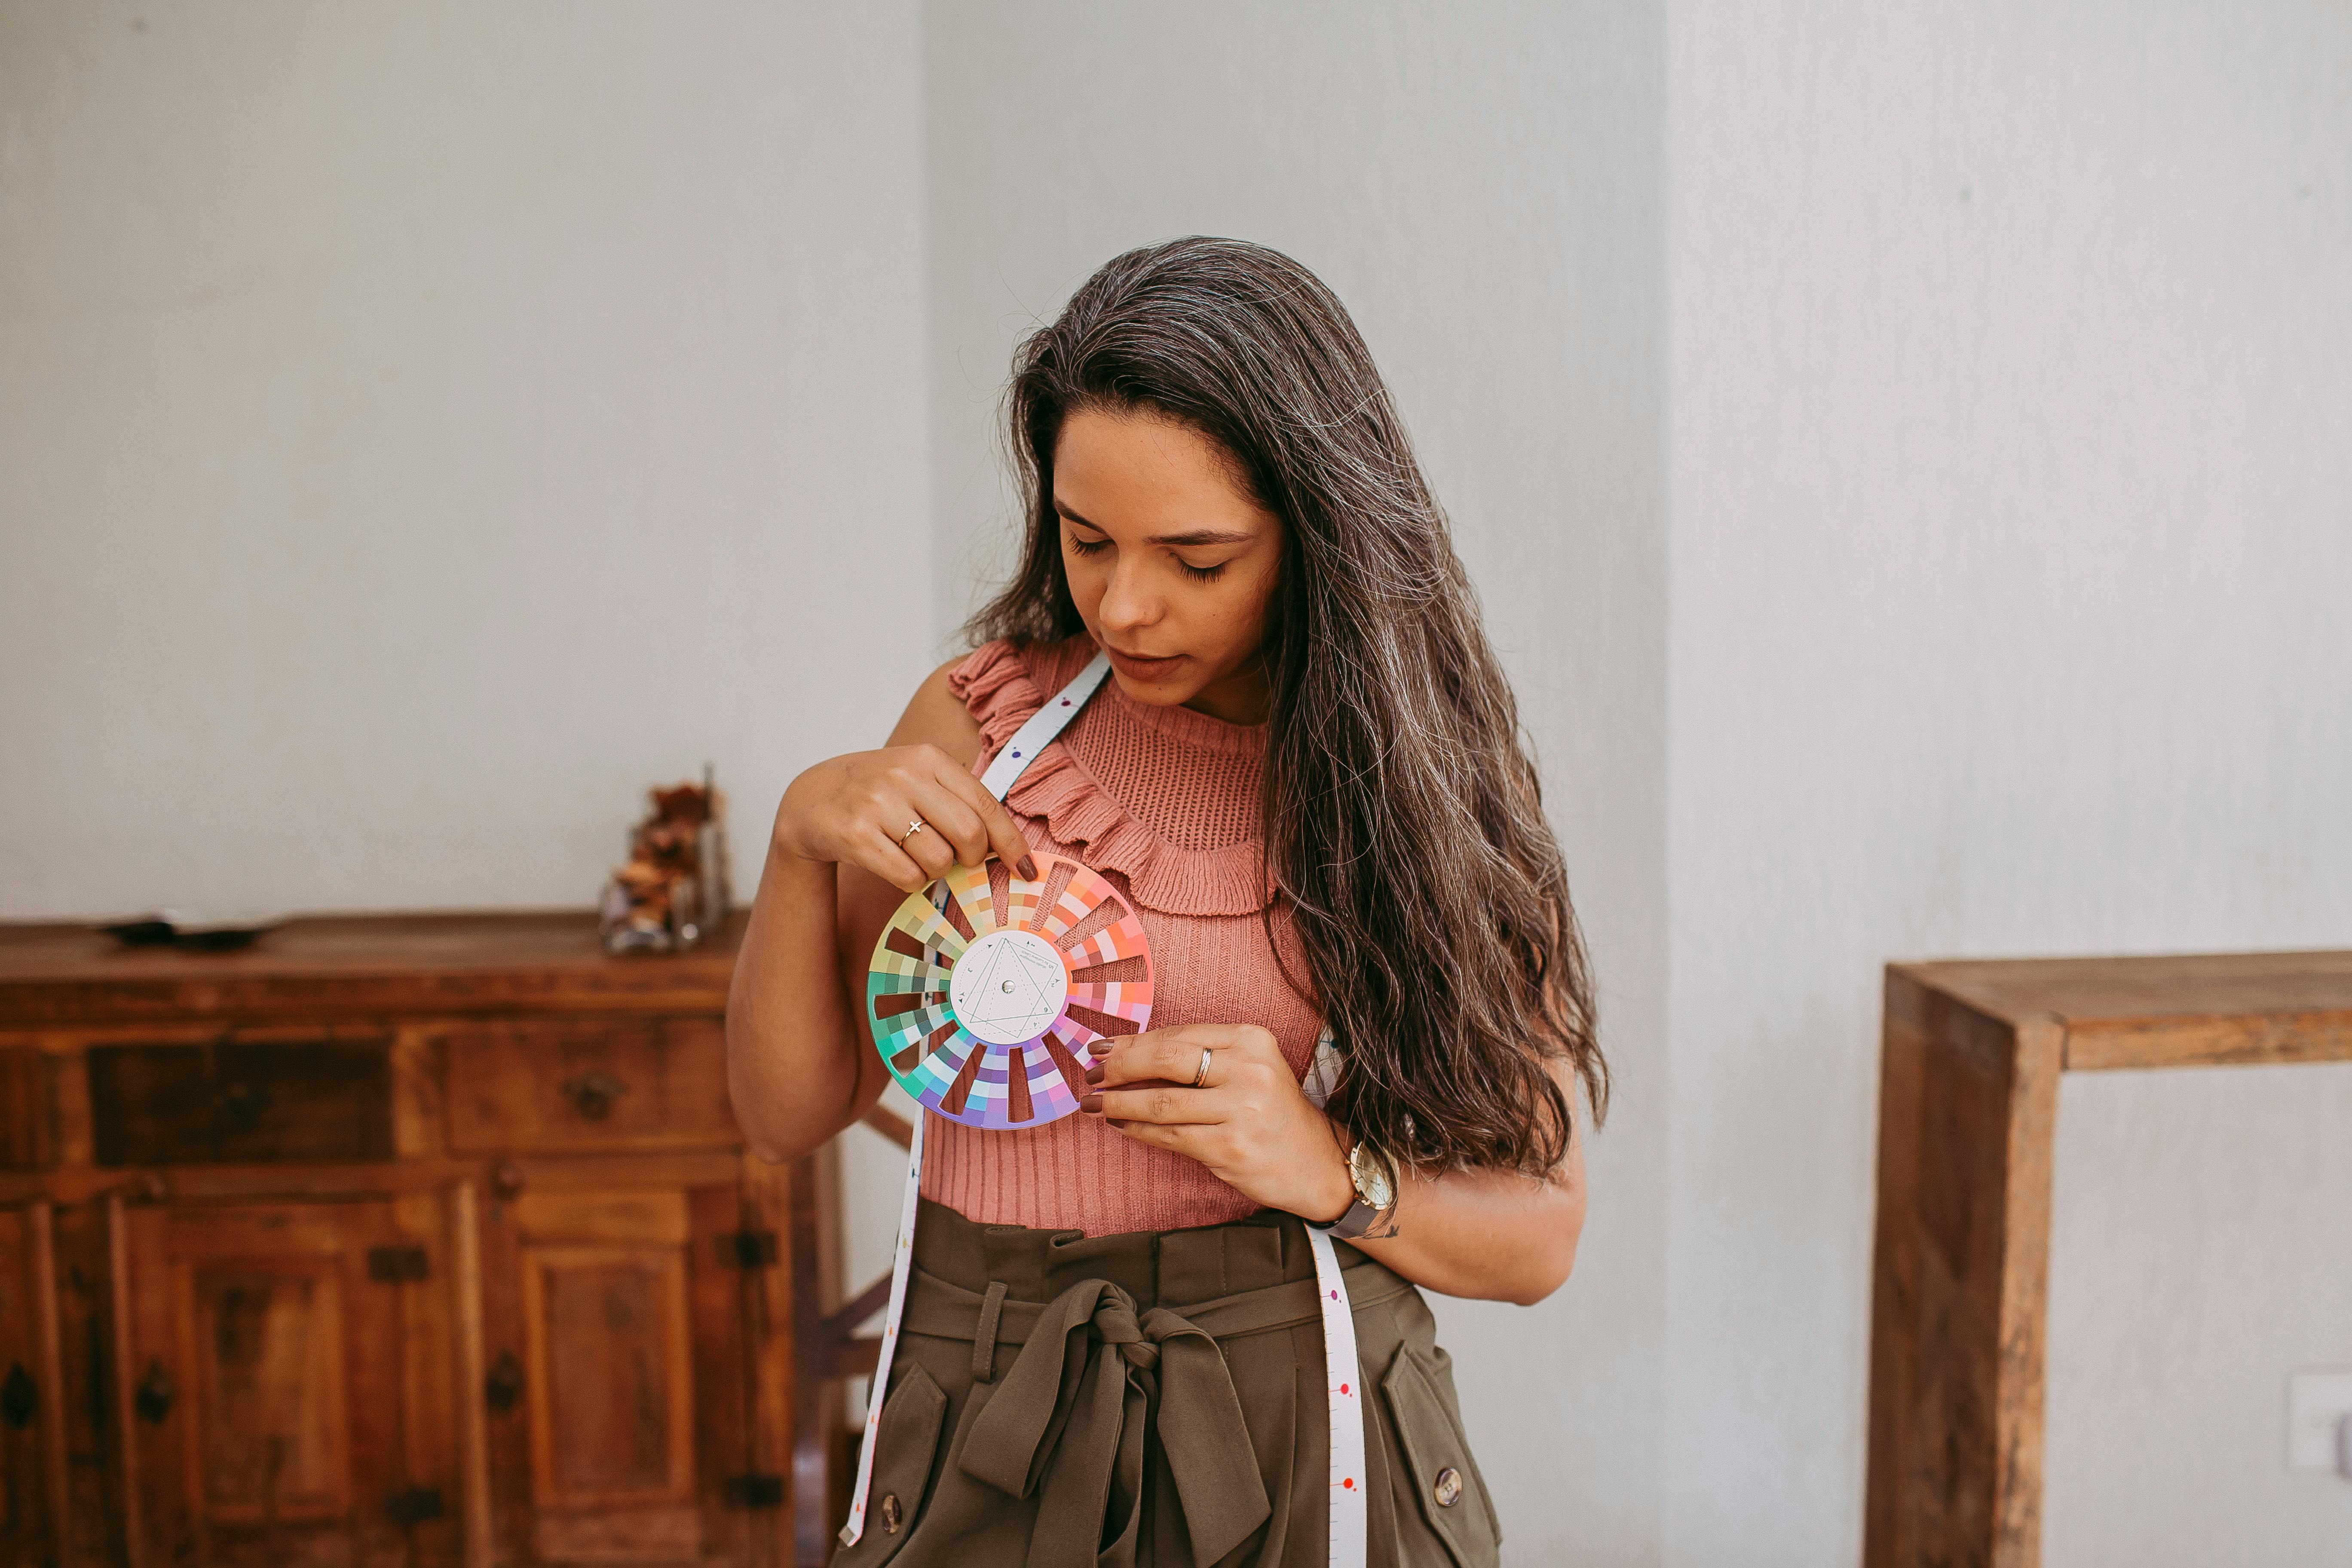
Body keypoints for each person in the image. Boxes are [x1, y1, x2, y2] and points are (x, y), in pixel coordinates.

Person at [726, 236, 1602, 1568]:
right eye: (1087, 541)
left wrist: (1328, 1167)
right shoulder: (978, 732)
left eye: (1196, 560)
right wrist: (799, 848)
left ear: (1317, 541)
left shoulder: (1416, 789)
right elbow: (793, 1112)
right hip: (986, 1404)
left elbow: (1540, 1233)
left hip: (1303, 1421)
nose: (1126, 605)